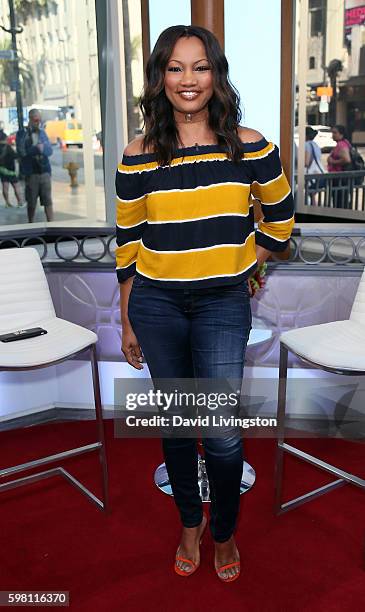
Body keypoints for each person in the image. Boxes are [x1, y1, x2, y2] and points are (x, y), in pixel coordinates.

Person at [115, 25, 295, 583]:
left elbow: (282, 221)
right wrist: (126, 319)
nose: (188, 79)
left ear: (215, 75)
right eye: (175, 68)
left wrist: (254, 265)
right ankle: (189, 522)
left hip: (221, 302)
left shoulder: (251, 145)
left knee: (219, 431)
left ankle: (224, 531)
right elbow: (127, 244)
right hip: (156, 302)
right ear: (160, 79)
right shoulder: (139, 154)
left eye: (199, 66)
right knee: (176, 423)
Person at [16, 109, 54, 222]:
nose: (38, 122)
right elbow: (21, 152)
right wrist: (35, 149)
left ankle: (51, 224)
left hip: (45, 172)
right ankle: (30, 223)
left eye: (39, 120)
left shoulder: (42, 133)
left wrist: (44, 149)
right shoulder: (22, 134)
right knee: (31, 202)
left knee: (48, 201)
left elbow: (50, 151)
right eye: (36, 120)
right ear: (31, 119)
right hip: (31, 173)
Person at [327, 125, 352, 209]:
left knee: (339, 202)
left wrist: (332, 161)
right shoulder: (344, 143)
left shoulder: (341, 144)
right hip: (339, 178)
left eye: (335, 133)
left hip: (339, 178)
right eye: (332, 132)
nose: (333, 135)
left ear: (341, 134)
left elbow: (347, 159)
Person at [0, 130, 24, 208]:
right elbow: (15, 156)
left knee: (5, 186)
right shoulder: (8, 147)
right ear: (4, 139)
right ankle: (20, 202)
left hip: (2, 170)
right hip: (10, 170)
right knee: (16, 186)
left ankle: (7, 203)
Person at [305, 126, 325, 206]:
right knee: (312, 194)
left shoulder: (306, 145)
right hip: (320, 174)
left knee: (310, 193)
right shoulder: (316, 145)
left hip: (313, 175)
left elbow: (306, 162)